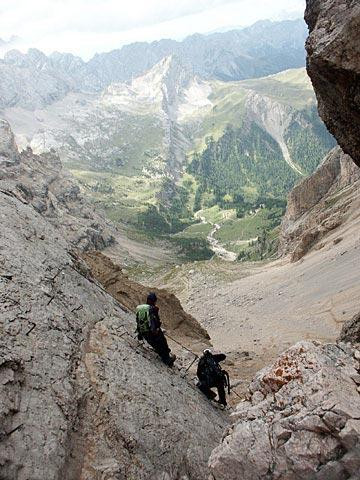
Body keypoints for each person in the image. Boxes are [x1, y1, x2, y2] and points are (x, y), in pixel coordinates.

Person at [136, 292, 176, 367]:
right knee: (162, 343)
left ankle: (163, 355)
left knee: (155, 345)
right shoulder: (153, 309)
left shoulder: (141, 309)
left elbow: (138, 322)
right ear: (153, 301)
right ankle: (167, 359)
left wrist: (140, 334)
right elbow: (153, 321)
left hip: (144, 333)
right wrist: (156, 330)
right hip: (153, 333)